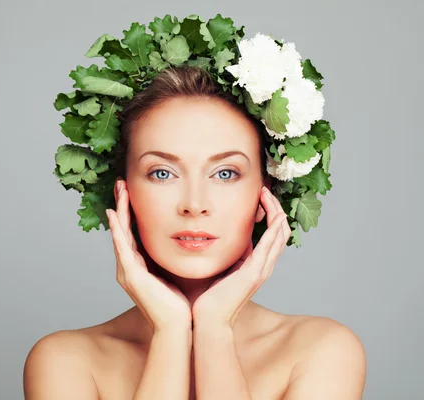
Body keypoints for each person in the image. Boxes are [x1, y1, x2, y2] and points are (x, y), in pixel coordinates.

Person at [23, 65, 367, 399]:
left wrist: (215, 327)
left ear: (266, 195)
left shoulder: (322, 352)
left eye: (225, 173)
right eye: (161, 173)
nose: (194, 204)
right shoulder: (65, 362)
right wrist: (170, 332)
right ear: (122, 194)